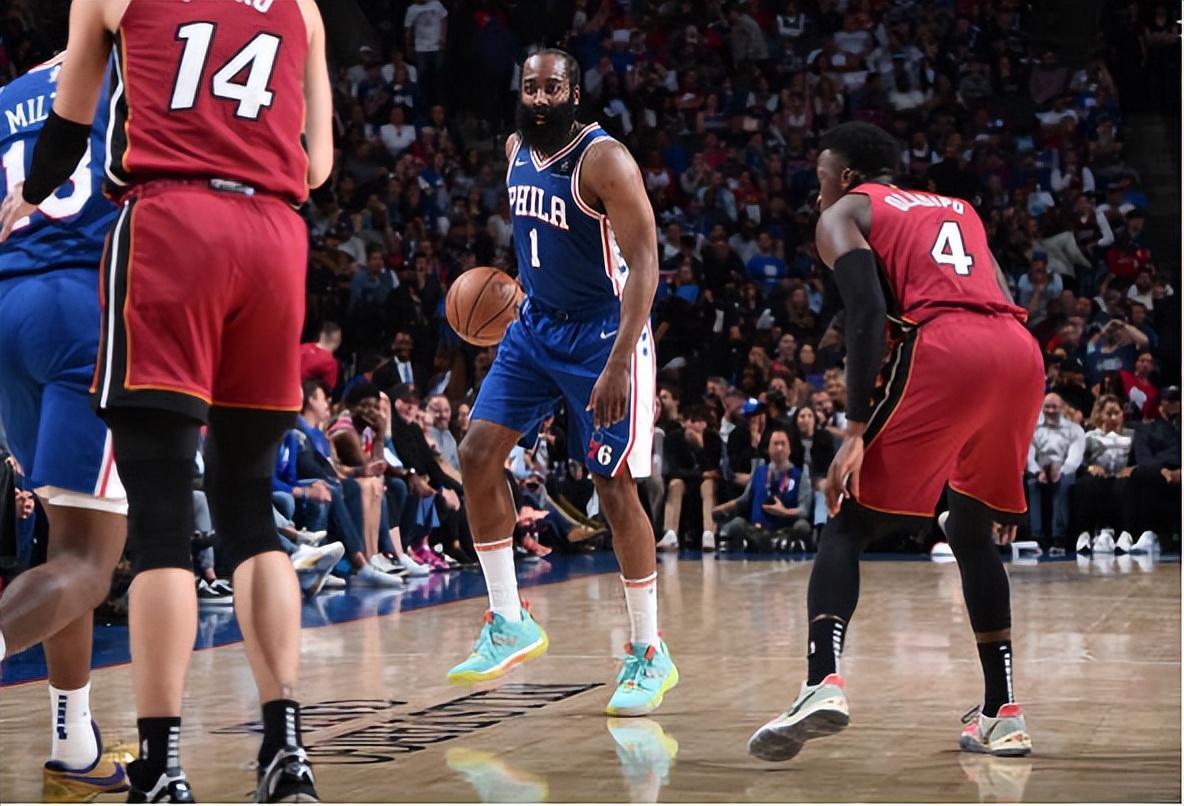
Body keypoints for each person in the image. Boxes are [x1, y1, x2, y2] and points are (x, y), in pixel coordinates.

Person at [0, 0, 333, 801]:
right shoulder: (294, 11)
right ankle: (281, 748)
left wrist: (31, 197)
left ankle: (115, 751)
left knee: (99, 536)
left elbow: (60, 144)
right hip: (204, 263)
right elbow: (314, 165)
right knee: (162, 533)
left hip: (41, 292)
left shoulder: (21, 84)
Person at [747, 122, 1043, 762]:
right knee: (970, 529)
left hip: (946, 347)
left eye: (821, 178)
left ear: (847, 177)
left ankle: (821, 682)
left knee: (847, 519)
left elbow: (864, 311)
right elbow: (997, 293)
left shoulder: (845, 213)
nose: (817, 194)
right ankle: (1002, 712)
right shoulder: (959, 209)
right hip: (1018, 352)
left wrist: (855, 429)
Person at [450, 49, 675, 716]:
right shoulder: (515, 148)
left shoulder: (605, 162)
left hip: (603, 335)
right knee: (475, 454)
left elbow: (645, 265)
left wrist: (619, 362)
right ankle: (509, 620)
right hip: (534, 326)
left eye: (552, 88)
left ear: (574, 94)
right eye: (531, 87)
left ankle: (649, 651)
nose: (540, 98)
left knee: (613, 486)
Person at [0, 54, 130, 800]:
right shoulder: (133, 75)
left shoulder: (8, 96)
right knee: (87, 559)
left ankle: (74, 744)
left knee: (63, 543)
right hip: (84, 312)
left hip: (8, 316)